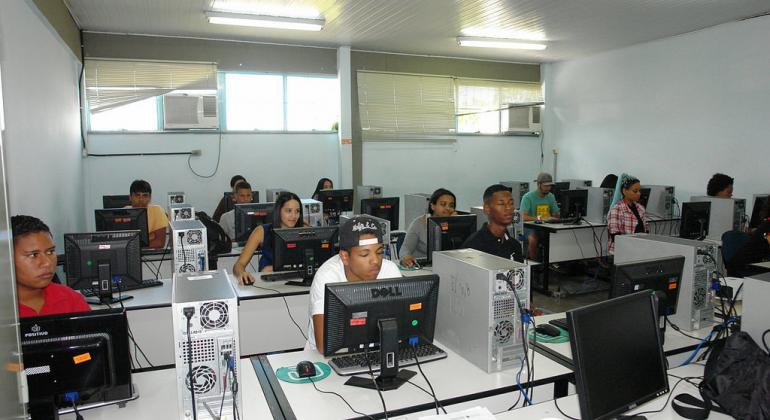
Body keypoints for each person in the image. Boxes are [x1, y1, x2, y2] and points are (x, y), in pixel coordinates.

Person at [306, 215, 402, 352]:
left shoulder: (390, 270)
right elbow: (324, 345)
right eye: (365, 254)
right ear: (345, 257)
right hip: (327, 357)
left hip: (376, 351)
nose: (375, 261)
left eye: (379, 252)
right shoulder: (327, 277)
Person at [12, 215, 90, 317]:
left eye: (50, 252)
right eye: (33, 255)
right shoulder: (6, 310)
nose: (47, 263)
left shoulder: (71, 299)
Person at [233, 191, 305, 284]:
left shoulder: (304, 231)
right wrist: (241, 273)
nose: (294, 216)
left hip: (297, 282)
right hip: (267, 285)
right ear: (279, 211)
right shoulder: (261, 231)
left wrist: (274, 269)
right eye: (288, 211)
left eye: (297, 211)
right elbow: (239, 265)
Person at [462, 184, 524, 262]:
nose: (508, 208)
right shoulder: (473, 246)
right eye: (501, 204)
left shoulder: (515, 245)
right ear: (487, 209)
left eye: (511, 203)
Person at [400, 188, 457, 267]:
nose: (448, 208)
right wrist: (406, 258)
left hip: (447, 266)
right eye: (443, 204)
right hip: (421, 267)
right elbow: (405, 248)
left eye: (451, 205)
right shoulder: (419, 223)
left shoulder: (456, 224)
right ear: (433, 206)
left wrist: (453, 224)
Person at [519, 172, 560, 260]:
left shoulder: (551, 196)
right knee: (533, 239)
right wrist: (541, 218)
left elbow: (556, 214)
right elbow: (523, 217)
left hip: (545, 226)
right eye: (545, 186)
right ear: (538, 184)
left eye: (550, 186)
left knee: (558, 236)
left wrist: (555, 215)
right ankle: (535, 264)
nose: (548, 188)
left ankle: (553, 261)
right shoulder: (528, 197)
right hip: (529, 227)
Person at [607, 175, 649, 254]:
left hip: (639, 248)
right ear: (624, 191)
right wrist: (632, 249)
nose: (639, 194)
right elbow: (615, 237)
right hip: (622, 252)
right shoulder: (616, 210)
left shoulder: (641, 208)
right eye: (635, 191)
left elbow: (646, 231)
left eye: (639, 191)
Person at [128, 179, 169, 248]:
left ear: (150, 198)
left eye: (145, 196)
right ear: (130, 197)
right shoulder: (124, 212)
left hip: (150, 256)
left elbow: (159, 242)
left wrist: (132, 247)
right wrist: (151, 236)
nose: (141, 199)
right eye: (137, 195)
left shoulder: (157, 210)